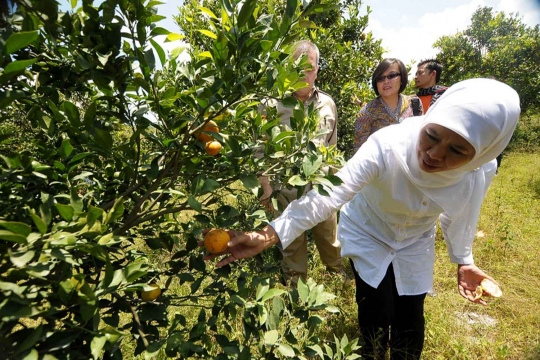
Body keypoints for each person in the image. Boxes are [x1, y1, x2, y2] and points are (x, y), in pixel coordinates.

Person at [206, 78, 520, 359]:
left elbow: (463, 212)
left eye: (457, 150)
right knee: (375, 305)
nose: (436, 154)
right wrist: (269, 234)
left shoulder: (479, 170)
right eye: (433, 136)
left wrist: (463, 260)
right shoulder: (388, 145)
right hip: (368, 228)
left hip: (415, 240)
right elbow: (329, 194)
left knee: (411, 315)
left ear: (481, 152)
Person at [258, 40, 343, 284]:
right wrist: (266, 188)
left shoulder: (327, 104)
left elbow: (331, 147)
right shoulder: (271, 104)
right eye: (296, 67)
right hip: (285, 190)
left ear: (317, 69)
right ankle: (296, 291)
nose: (304, 74)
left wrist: (335, 185)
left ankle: (337, 278)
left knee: (329, 238)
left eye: (309, 67)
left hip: (321, 190)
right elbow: (259, 150)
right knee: (292, 244)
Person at [354, 58, 422, 152]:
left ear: (402, 78)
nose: (386, 81)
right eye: (380, 78)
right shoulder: (366, 112)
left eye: (392, 75)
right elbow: (359, 152)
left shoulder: (414, 103)